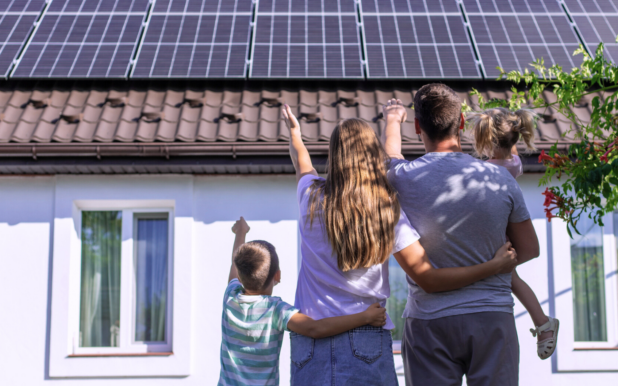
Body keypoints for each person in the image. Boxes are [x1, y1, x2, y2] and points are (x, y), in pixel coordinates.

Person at [282, 105, 519, 386]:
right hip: (366, 335)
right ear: (372, 155)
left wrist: (295, 133)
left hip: (310, 342)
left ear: (334, 155)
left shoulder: (309, 196)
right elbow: (427, 276)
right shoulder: (385, 209)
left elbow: (301, 161)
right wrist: (493, 266)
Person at [381, 83, 541, 386]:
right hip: (491, 316)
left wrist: (392, 119)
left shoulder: (399, 177)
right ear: (462, 123)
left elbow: (390, 153)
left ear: (417, 127)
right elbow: (529, 249)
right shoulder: (500, 178)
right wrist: (493, 262)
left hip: (429, 322)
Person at [219, 217, 388, 386]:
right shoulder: (275, 310)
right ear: (277, 276)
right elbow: (315, 328)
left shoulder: (230, 297)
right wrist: (365, 317)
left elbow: (234, 266)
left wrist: (240, 233)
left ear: (240, 275)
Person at [468, 107, 560, 360]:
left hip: (499, 235)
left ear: (486, 140)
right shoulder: (514, 163)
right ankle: (542, 322)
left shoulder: (484, 170)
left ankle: (543, 322)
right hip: (507, 227)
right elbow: (511, 152)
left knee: (508, 278)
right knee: (513, 280)